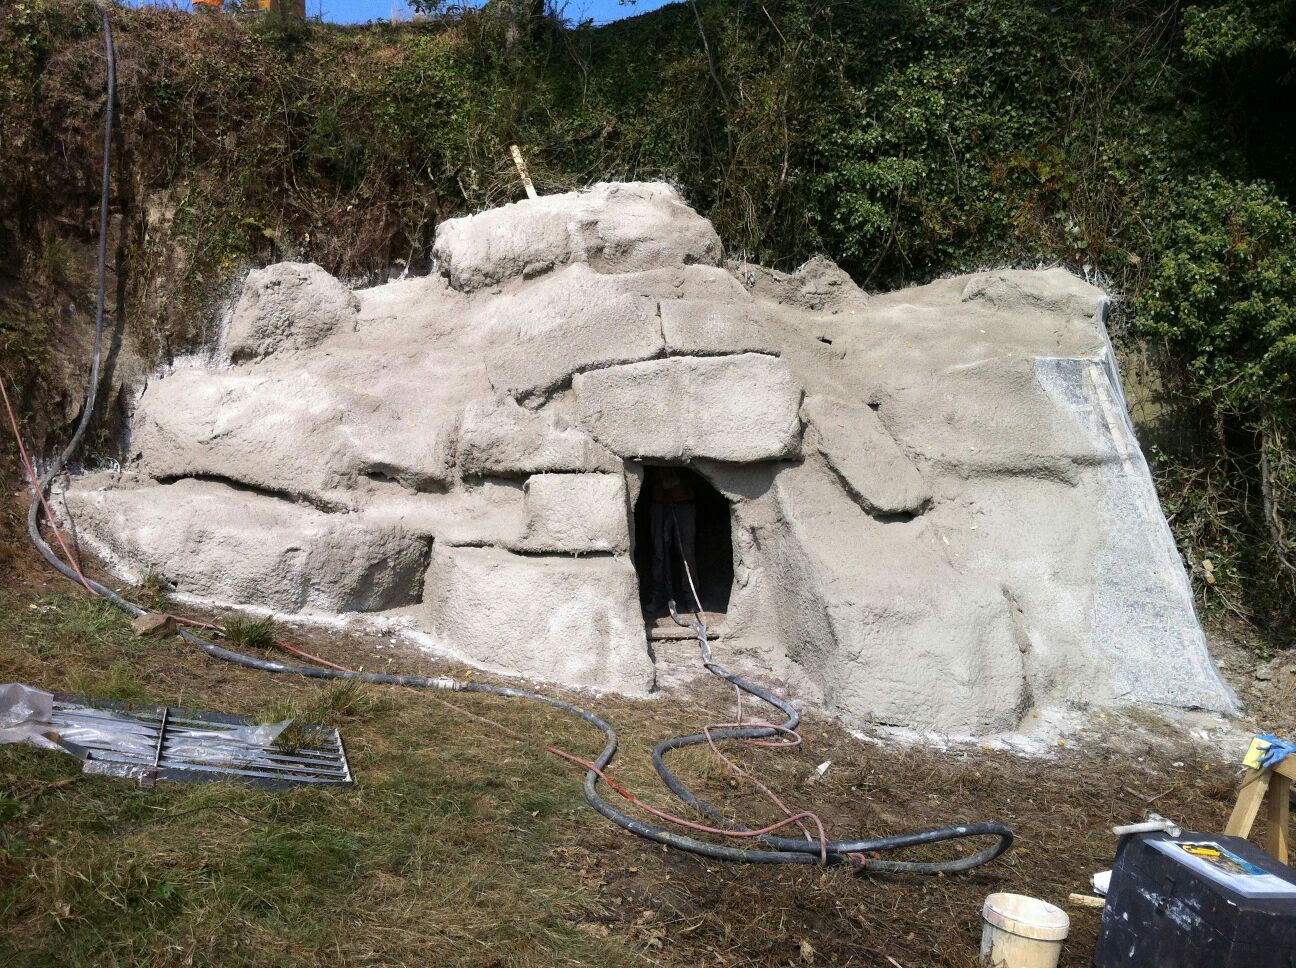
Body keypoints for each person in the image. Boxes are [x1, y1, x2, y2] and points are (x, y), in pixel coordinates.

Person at [646, 468, 698, 615]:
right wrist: (658, 479)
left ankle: (691, 598)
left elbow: (700, 475)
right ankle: (659, 597)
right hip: (658, 503)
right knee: (659, 554)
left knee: (686, 553)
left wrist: (680, 480)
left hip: (684, 503)